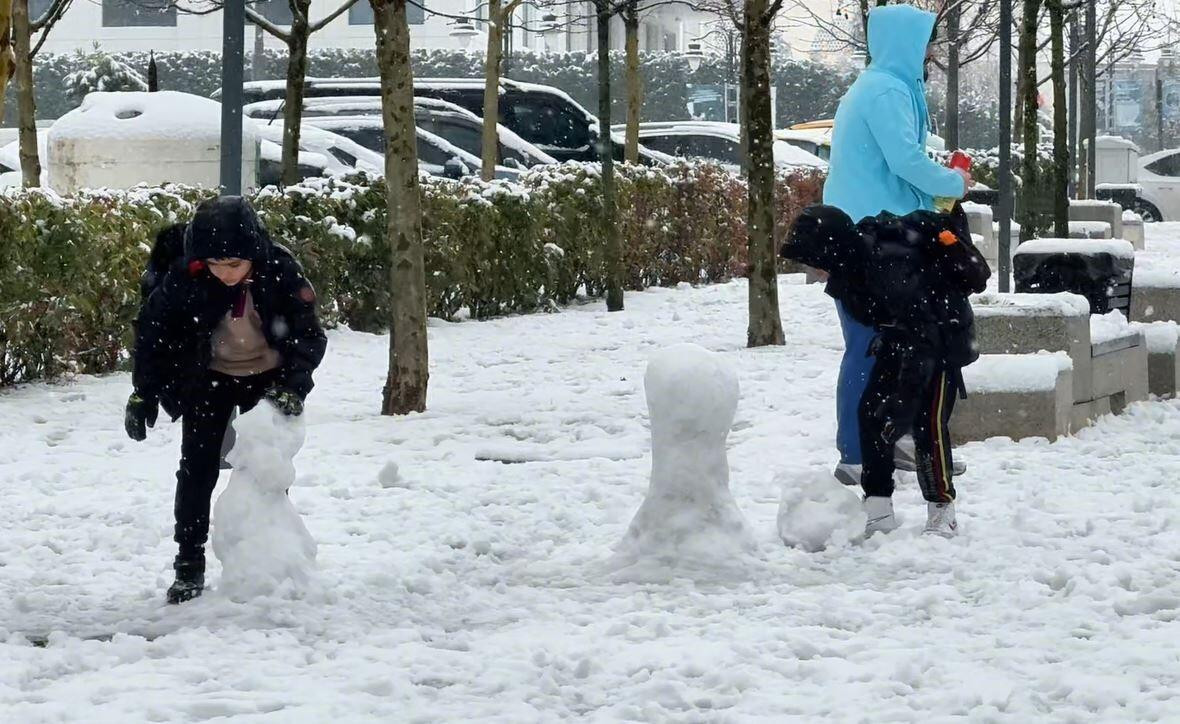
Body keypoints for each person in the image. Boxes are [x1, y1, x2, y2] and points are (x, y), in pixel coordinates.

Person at [125, 196, 327, 604]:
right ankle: (189, 562)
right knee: (196, 470)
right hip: (209, 377)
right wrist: (143, 392)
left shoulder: (280, 270)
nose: (226, 274)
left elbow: (309, 336)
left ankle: (271, 555)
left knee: (265, 470)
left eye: (235, 265)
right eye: (217, 265)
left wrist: (291, 387)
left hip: (268, 380)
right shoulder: (188, 277)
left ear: (253, 255)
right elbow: (153, 333)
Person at [821, 4, 972, 488]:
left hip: (877, 233)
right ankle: (856, 452)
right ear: (905, 43)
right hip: (870, 240)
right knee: (869, 344)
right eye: (926, 39)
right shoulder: (885, 88)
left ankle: (892, 435)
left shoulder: (886, 86)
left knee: (895, 342)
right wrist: (953, 180)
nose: (931, 49)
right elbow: (905, 159)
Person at [783, 202, 990, 537]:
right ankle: (878, 510)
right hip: (902, 339)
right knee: (871, 415)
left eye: (814, 261)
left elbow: (924, 336)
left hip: (942, 337)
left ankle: (942, 510)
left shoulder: (886, 265)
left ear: (830, 250)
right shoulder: (851, 270)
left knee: (927, 425)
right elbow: (891, 322)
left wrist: (905, 402)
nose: (813, 270)